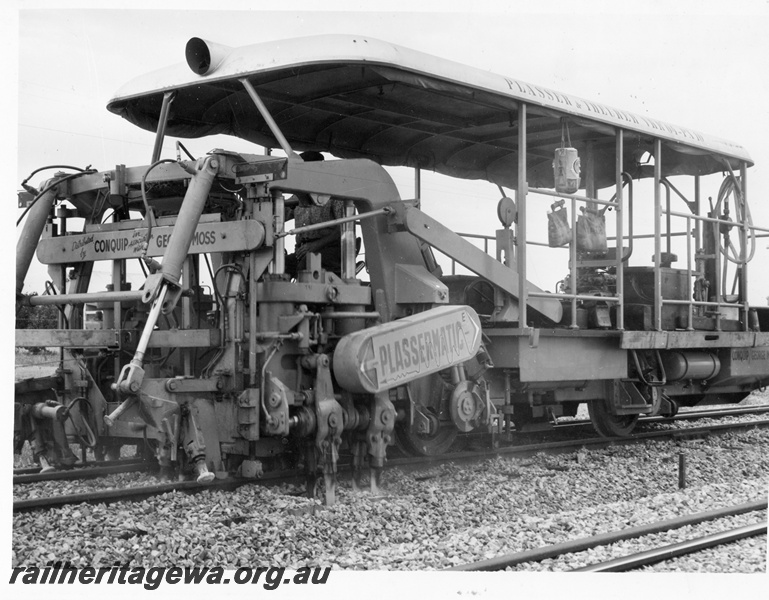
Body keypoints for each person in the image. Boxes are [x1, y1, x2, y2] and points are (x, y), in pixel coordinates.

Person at [285, 151, 346, 277]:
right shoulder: (298, 194)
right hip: (303, 250)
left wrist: (315, 245)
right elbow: (280, 213)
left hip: (330, 249)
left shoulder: (335, 194)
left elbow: (343, 227)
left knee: (306, 266)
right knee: (277, 266)